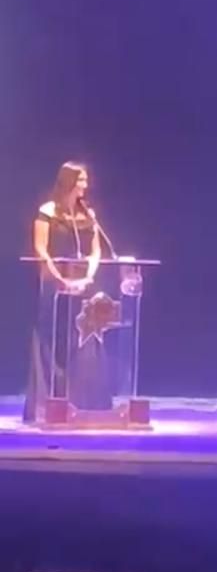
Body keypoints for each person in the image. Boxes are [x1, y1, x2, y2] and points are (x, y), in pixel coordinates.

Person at [24, 161, 107, 423]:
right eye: (80, 180)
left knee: (82, 340)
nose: (85, 185)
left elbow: (96, 250)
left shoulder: (89, 214)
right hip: (54, 287)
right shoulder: (47, 211)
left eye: (85, 180)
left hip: (82, 288)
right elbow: (41, 249)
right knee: (52, 340)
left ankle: (85, 404)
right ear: (68, 181)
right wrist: (60, 279)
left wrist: (89, 276)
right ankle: (48, 405)